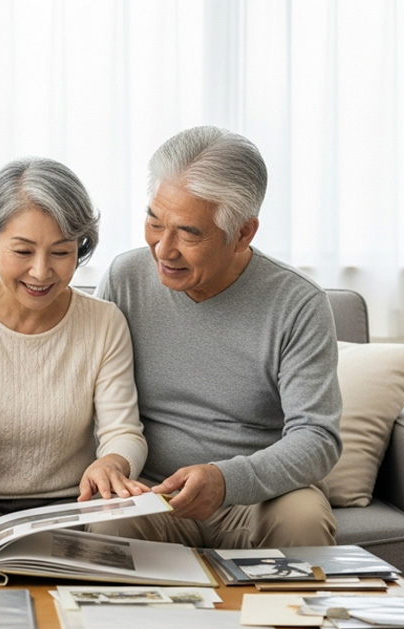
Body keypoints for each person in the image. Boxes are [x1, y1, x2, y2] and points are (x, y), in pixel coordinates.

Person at [88, 125, 342, 549]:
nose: (163, 250)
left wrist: (227, 481)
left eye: (189, 233)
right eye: (154, 221)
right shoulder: (126, 278)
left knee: (304, 518)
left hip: (258, 497)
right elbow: (89, 393)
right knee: (110, 523)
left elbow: (317, 439)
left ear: (243, 233)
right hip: (146, 490)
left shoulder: (298, 303)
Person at [0, 157, 148, 536]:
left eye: (61, 252)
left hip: (79, 504)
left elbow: (124, 432)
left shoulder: (105, 322)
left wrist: (112, 464)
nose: (41, 272)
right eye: (23, 251)